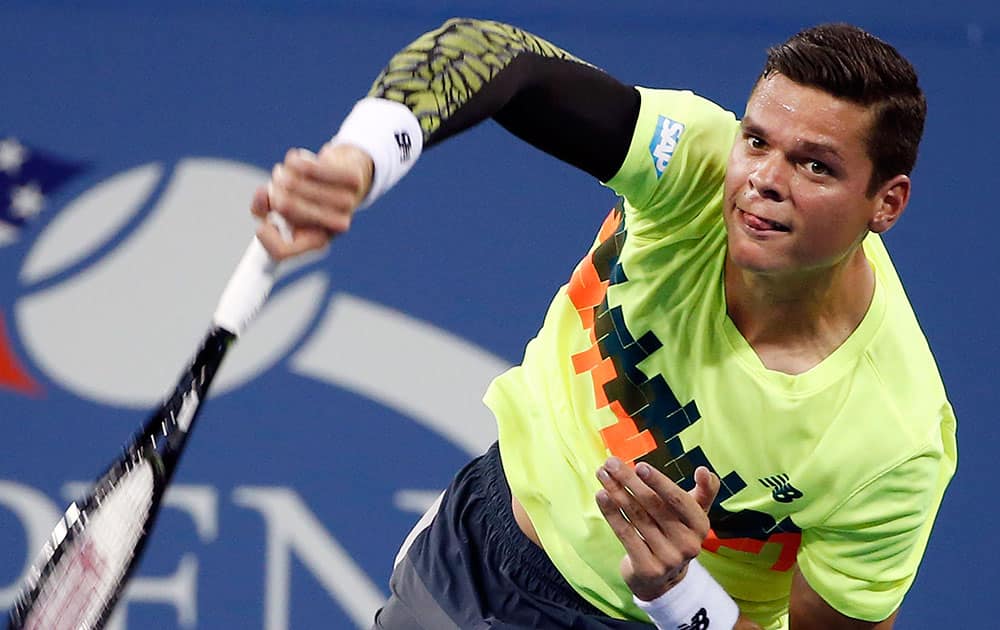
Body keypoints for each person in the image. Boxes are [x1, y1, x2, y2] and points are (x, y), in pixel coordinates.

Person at [250, 18, 957, 630]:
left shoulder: (893, 437)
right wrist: (362, 157)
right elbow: (497, 56)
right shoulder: (695, 169)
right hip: (478, 552)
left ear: (886, 202)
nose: (764, 179)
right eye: (757, 141)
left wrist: (680, 593)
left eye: (814, 165)